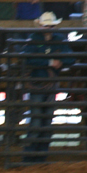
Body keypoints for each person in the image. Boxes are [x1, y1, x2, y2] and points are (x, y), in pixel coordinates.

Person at [21, 12, 74, 163]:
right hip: (39, 83)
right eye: (46, 25)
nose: (48, 28)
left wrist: (56, 60)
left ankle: (38, 158)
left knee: (45, 121)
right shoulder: (35, 39)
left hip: (46, 84)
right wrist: (50, 62)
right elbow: (27, 58)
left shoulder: (57, 40)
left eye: (50, 26)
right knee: (38, 121)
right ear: (40, 25)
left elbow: (70, 58)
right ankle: (31, 158)